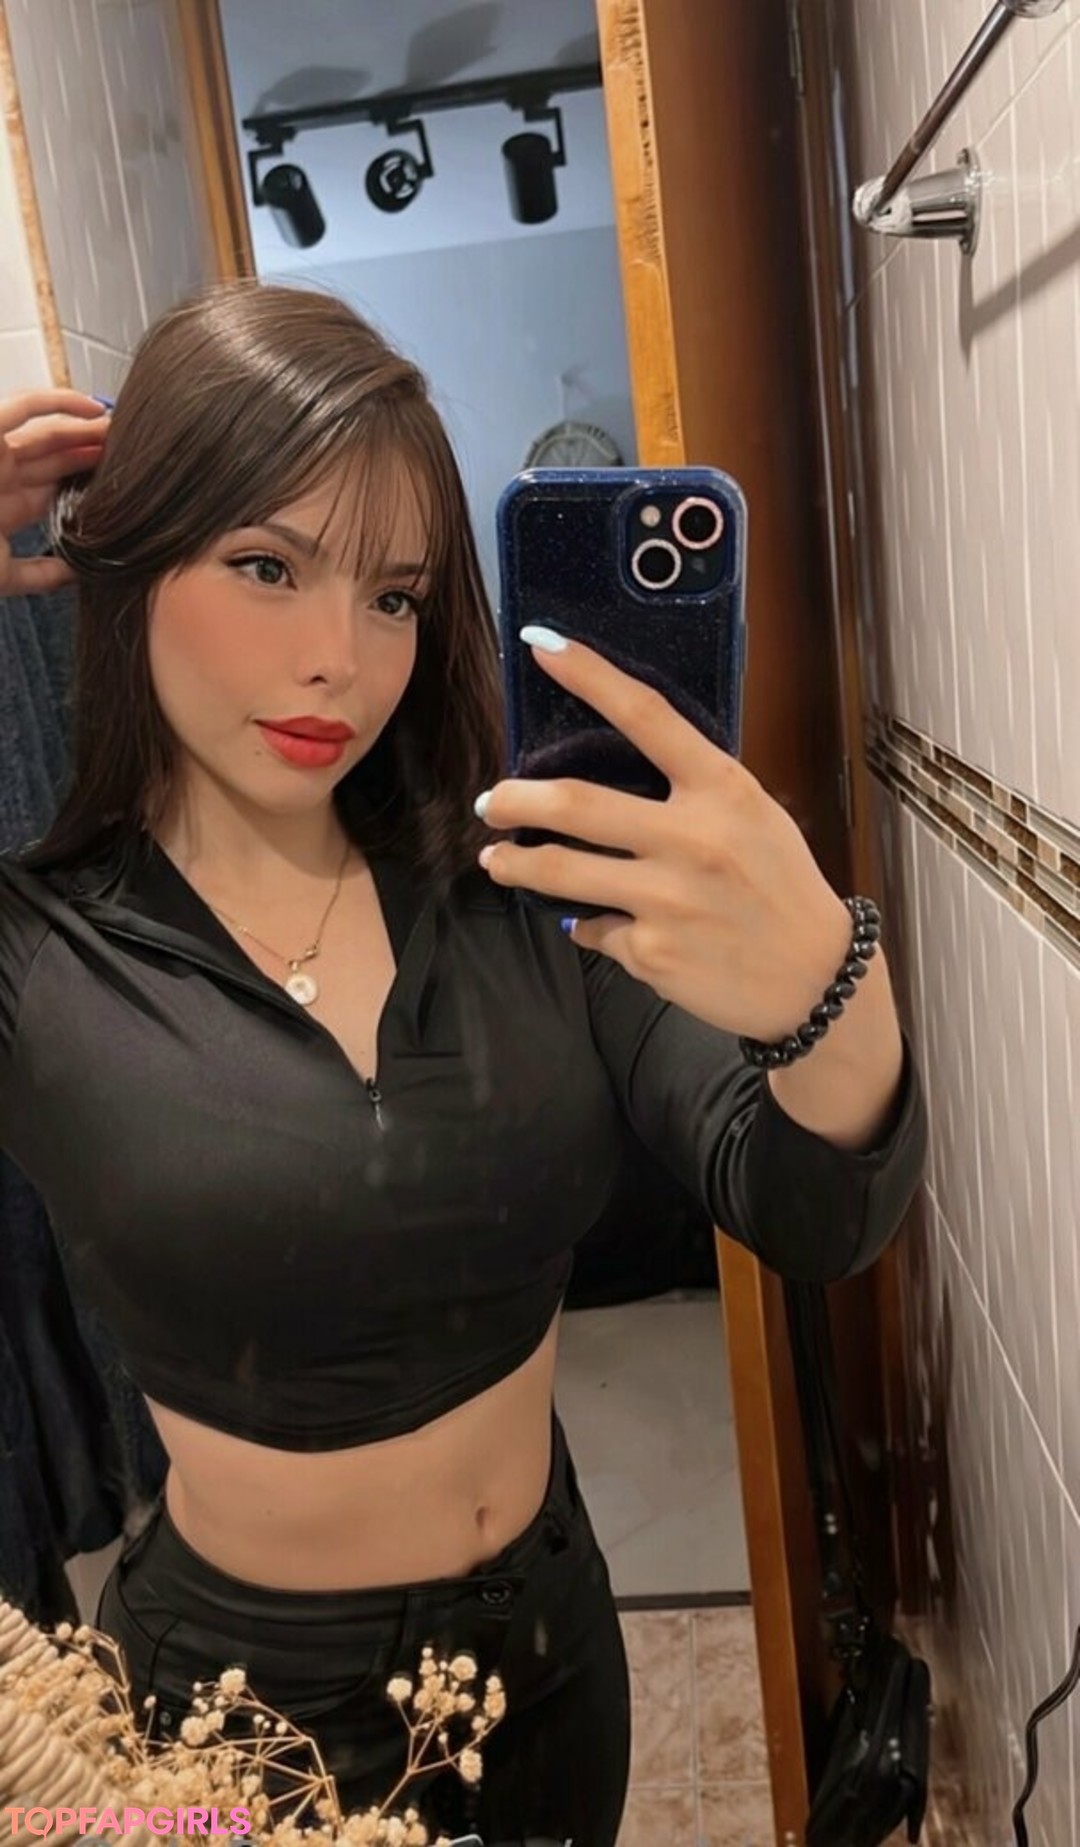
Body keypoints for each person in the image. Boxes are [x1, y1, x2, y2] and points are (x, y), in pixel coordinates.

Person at [0, 282, 927, 1847]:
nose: (339, 661)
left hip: (554, 1664)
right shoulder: (37, 953)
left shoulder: (521, 891)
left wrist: (824, 987)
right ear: (129, 557)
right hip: (236, 1735)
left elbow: (814, 1208)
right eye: (267, 567)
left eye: (394, 595)